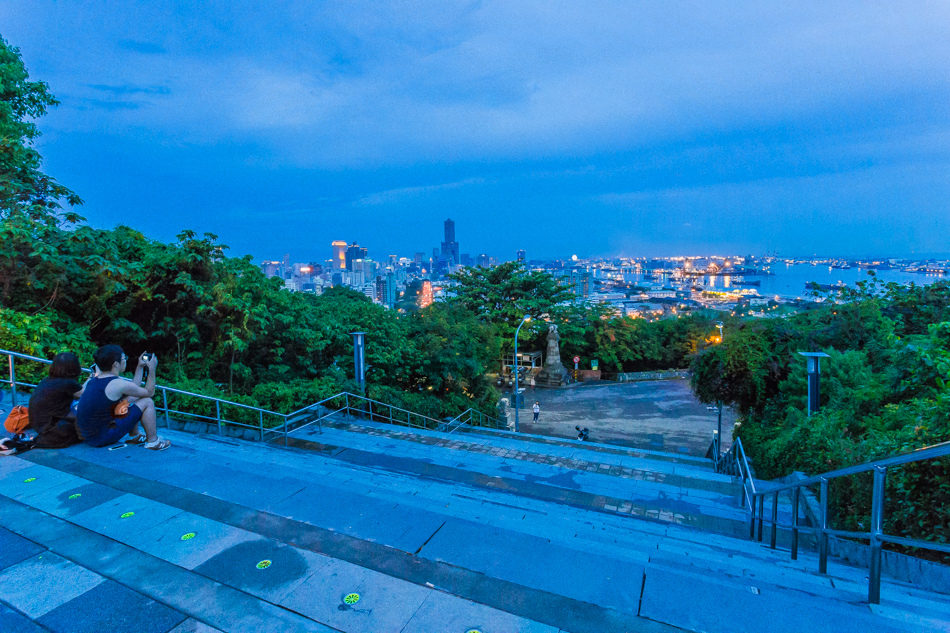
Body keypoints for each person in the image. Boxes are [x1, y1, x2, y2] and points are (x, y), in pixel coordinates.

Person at [76, 345, 170, 451]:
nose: (125, 361)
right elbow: (149, 392)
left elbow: (133, 390)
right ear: (116, 364)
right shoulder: (117, 384)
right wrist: (152, 370)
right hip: (102, 437)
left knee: (130, 400)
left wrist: (139, 367)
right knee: (147, 402)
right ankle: (153, 442)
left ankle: (135, 436)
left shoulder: (96, 380)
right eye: (124, 359)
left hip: (90, 436)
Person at [27, 352, 85, 447]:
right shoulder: (68, 383)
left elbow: (79, 391)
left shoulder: (46, 380)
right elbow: (86, 395)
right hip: (51, 427)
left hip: (38, 424)